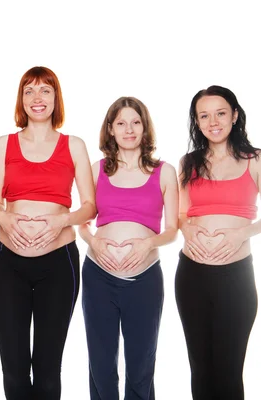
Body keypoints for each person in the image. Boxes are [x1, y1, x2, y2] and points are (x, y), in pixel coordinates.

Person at [0, 66, 96, 400]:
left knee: (48, 371)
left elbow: (89, 206)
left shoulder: (74, 145)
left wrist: (61, 222)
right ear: (21, 99)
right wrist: (5, 219)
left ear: (55, 98)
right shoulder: (3, 144)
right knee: (14, 369)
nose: (37, 98)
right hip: (9, 264)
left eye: (45, 90)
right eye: (29, 91)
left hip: (58, 263)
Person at [175, 85, 261, 400]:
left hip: (236, 277)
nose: (213, 122)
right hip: (192, 275)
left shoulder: (257, 159)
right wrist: (187, 230)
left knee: (229, 373)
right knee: (201, 372)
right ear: (197, 121)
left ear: (234, 115)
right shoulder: (188, 162)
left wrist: (239, 234)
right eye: (204, 115)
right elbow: (179, 215)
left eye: (220, 113)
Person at [78, 97, 178, 400]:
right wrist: (94, 241)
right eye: (121, 123)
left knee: (141, 366)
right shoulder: (96, 171)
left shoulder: (165, 171)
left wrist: (148, 242)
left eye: (135, 122)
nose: (129, 129)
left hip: (144, 278)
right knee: (101, 365)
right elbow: (82, 222)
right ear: (110, 129)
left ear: (145, 128)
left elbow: (172, 229)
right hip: (98, 276)